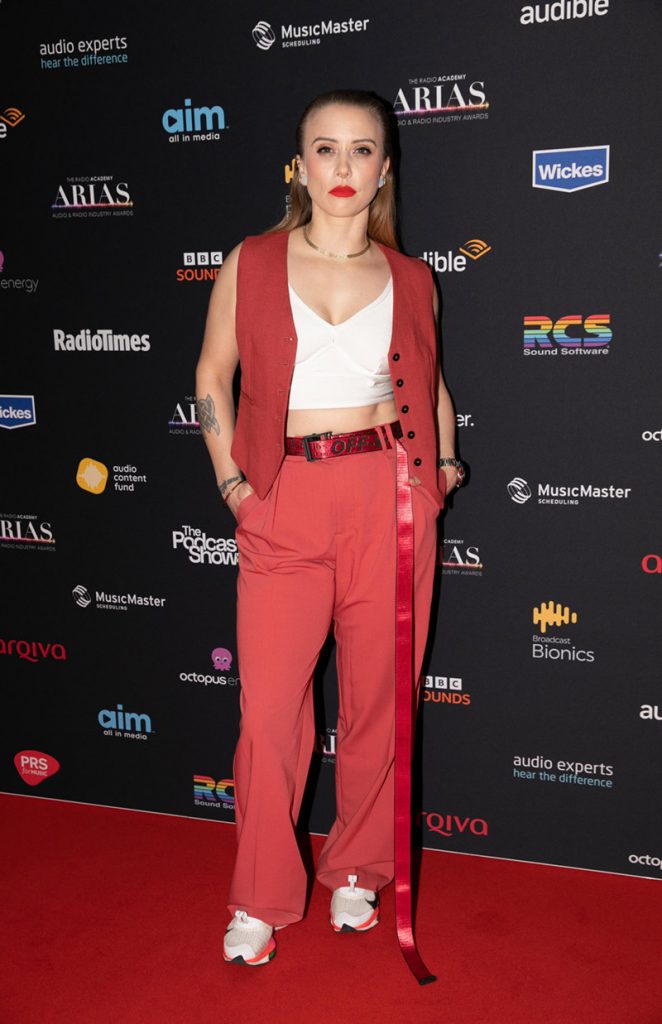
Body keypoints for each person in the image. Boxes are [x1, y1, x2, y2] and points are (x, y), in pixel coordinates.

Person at [195, 89, 464, 977]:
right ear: (298, 166)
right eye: (325, 148)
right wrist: (235, 486)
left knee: (380, 702)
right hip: (282, 496)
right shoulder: (253, 260)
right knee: (270, 714)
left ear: (385, 169)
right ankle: (261, 896)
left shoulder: (413, 277)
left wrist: (438, 473)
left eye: (362, 150)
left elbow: (433, 386)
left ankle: (357, 868)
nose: (343, 167)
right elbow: (213, 375)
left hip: (389, 497)